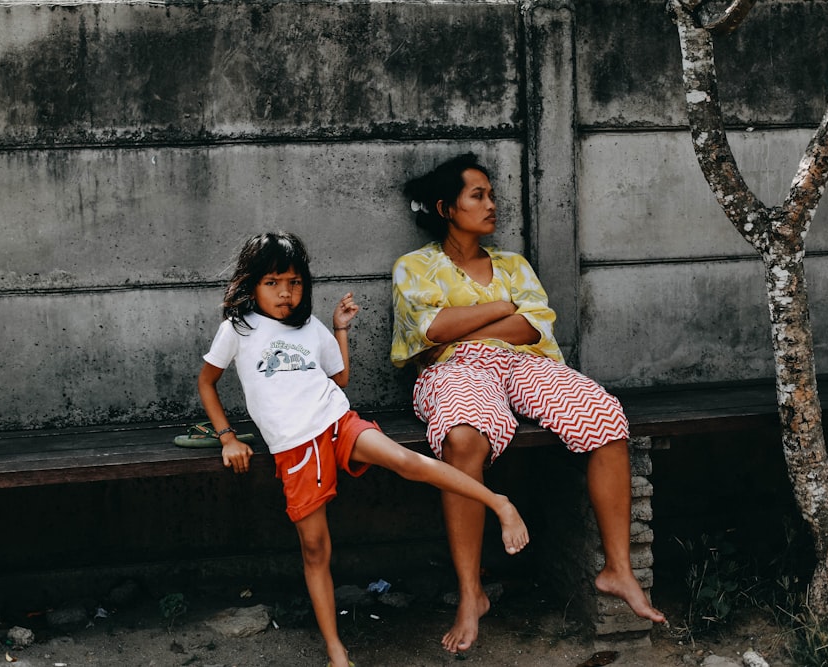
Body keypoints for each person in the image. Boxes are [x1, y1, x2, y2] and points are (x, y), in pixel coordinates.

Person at [196, 231, 530, 667]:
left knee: (407, 461)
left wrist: (338, 329)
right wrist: (227, 437)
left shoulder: (310, 328)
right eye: (273, 282)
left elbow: (339, 380)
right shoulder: (238, 329)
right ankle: (337, 653)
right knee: (316, 550)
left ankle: (499, 503)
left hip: (337, 422)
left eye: (294, 283)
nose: (285, 293)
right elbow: (207, 382)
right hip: (295, 449)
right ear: (253, 283)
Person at [391, 154, 666, 654]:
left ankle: (617, 569)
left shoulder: (513, 265)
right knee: (463, 437)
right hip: (455, 369)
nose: (492, 204)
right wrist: (499, 306)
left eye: (491, 195)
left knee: (604, 415)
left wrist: (466, 319)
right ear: (445, 207)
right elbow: (429, 334)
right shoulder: (415, 267)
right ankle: (472, 594)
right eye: (478, 195)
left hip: (525, 363)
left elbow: (532, 327)